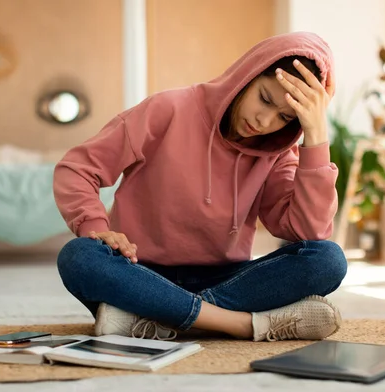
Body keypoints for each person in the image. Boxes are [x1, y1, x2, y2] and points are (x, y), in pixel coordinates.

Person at [54, 31, 347, 342]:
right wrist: (96, 226)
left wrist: (316, 137)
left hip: (228, 278)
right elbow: (77, 168)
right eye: (264, 98)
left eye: (285, 117)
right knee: (80, 256)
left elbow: (307, 231)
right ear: (247, 75)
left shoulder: (276, 152)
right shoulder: (167, 109)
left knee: (327, 259)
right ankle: (238, 324)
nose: (264, 121)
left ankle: (156, 317)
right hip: (139, 271)